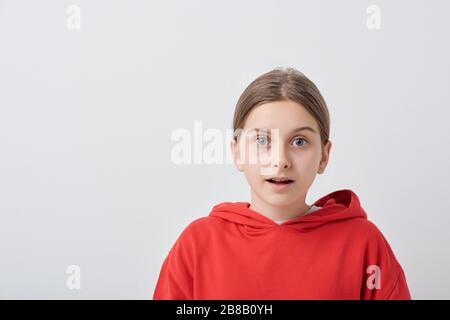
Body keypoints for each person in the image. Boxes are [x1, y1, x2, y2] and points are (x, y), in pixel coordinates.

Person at [153, 67, 411, 299]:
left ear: (323, 156)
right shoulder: (197, 244)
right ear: (238, 152)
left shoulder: (364, 245)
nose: (280, 160)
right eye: (263, 141)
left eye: (299, 141)